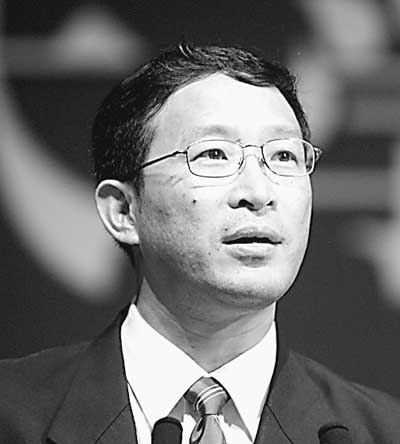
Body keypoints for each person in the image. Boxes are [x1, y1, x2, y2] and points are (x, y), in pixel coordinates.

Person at [0, 41, 399, 444]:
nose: (258, 193)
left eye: (283, 156)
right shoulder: (13, 412)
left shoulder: (379, 430)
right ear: (123, 211)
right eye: (214, 155)